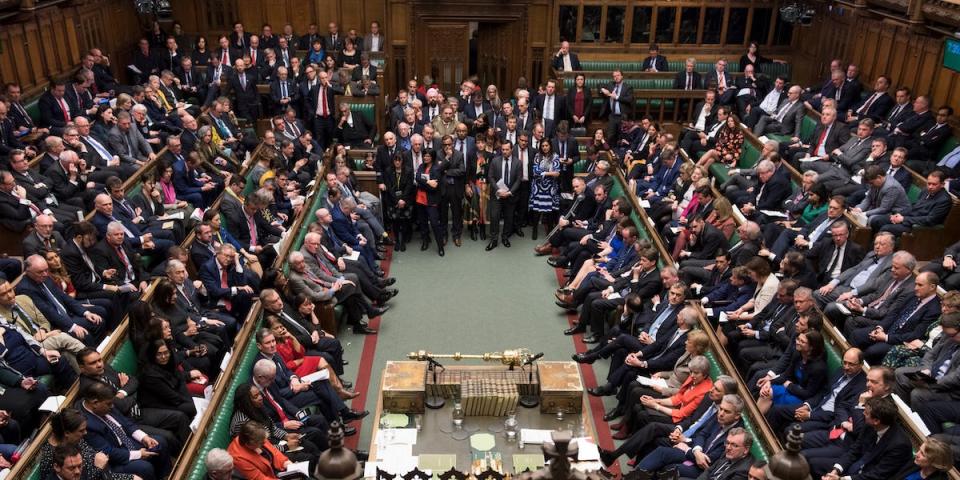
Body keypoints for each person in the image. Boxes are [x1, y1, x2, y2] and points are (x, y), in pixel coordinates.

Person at [80, 381, 170, 480]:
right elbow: (108, 451)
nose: (112, 407)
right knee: (144, 467)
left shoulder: (105, 405)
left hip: (127, 441)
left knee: (160, 442)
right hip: (115, 459)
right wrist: (138, 454)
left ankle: (166, 477)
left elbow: (126, 423)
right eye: (109, 404)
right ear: (95, 403)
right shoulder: (86, 424)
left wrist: (144, 438)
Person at [820, 396, 912, 480]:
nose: (863, 413)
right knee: (816, 465)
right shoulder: (869, 425)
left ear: (876, 421)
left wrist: (840, 479)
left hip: (869, 475)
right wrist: (836, 471)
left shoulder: (900, 445)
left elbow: (877, 475)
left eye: (866, 413)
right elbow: (854, 450)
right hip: (856, 466)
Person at [38, 408, 133, 480]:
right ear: (67, 433)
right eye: (81, 430)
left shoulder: (75, 439)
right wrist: (98, 468)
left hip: (105, 474)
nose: (85, 433)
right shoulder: (50, 457)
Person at [227, 421, 293, 479]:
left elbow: (274, 451)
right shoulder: (239, 458)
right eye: (262, 443)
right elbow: (260, 478)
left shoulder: (256, 435)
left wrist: (286, 462)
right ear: (249, 444)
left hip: (276, 471)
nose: (265, 443)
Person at [486, 141, 521, 251]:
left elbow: (518, 180)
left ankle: (505, 237)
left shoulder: (518, 163)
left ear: (511, 149)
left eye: (507, 149)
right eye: (503, 149)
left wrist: (510, 192)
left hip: (510, 196)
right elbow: (490, 177)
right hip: (497, 195)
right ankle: (494, 239)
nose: (505, 151)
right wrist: (498, 190)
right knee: (494, 217)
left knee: (509, 218)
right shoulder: (495, 161)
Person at [529, 137, 560, 241]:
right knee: (536, 211)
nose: (545, 147)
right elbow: (535, 172)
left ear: (550, 145)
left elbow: (557, 173)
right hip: (538, 187)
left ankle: (550, 231)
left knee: (549, 212)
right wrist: (549, 172)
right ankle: (534, 230)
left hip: (550, 188)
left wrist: (545, 173)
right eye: (543, 146)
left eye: (546, 145)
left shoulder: (555, 156)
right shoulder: (537, 156)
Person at [415, 149, 444, 256]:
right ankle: (425, 241)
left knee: (435, 224)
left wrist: (422, 185)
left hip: (431, 200)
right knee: (423, 223)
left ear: (432, 157)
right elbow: (417, 177)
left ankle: (440, 246)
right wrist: (427, 182)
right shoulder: (421, 166)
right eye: (424, 156)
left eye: (428, 156)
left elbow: (434, 187)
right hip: (420, 200)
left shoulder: (436, 168)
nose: (425, 158)